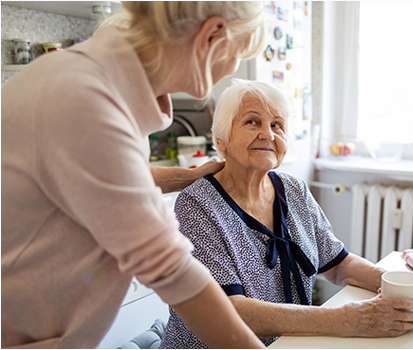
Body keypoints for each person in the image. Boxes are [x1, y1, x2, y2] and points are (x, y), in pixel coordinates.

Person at [1, 2, 267, 349]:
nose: (233, 66)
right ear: (212, 36)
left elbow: (117, 176)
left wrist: (189, 176)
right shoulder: (86, 100)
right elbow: (171, 269)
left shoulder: (108, 84)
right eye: (239, 53)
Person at [160, 79, 413, 348]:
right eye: (252, 122)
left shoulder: (293, 190)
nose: (268, 134)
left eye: (277, 125)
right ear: (221, 139)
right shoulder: (197, 206)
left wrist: (391, 284)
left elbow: (338, 263)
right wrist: (345, 319)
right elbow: (229, 311)